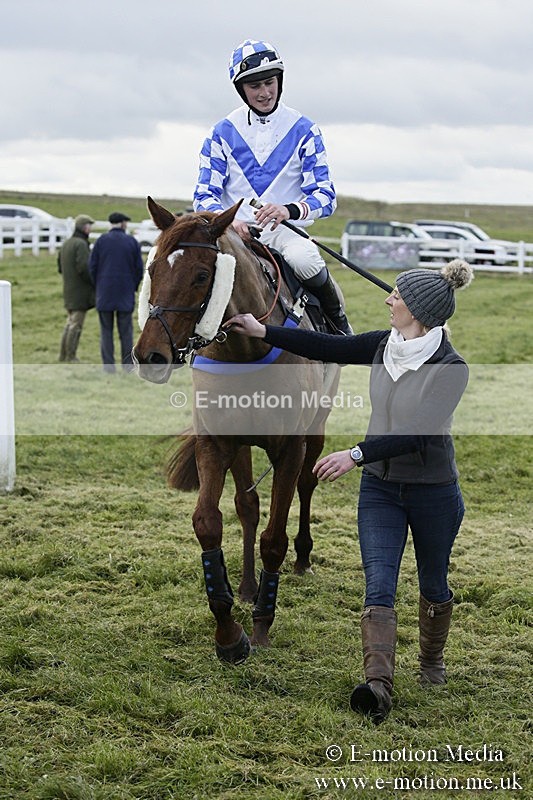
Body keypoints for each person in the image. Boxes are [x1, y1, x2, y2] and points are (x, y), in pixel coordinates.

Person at [225, 259, 473, 723]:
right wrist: (264, 332)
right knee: (379, 585)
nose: (388, 299)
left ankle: (432, 662)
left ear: (418, 311)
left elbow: (418, 432)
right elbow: (327, 346)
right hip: (380, 491)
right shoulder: (385, 345)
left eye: (397, 296)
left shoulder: (451, 368)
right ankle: (377, 686)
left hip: (433, 493)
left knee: (433, 584)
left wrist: (354, 454)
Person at [193, 39, 351, 335]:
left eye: (270, 82)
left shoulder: (305, 130)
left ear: (279, 80)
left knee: (304, 258)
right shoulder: (221, 132)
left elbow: (325, 197)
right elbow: (204, 195)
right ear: (242, 90)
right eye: (255, 87)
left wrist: (288, 210)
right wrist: (230, 223)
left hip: (284, 233)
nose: (265, 93)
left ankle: (337, 324)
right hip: (232, 235)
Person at [89, 212, 144, 373]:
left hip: (104, 292)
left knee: (106, 331)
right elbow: (138, 269)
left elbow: (92, 267)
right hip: (125, 293)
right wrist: (132, 287)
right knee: (126, 332)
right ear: (122, 224)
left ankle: (108, 367)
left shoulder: (101, 241)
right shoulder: (131, 242)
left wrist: (99, 285)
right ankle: (127, 366)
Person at [57, 214, 95, 362]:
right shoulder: (81, 244)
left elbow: (60, 267)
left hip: (68, 289)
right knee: (75, 325)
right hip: (80, 292)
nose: (90, 228)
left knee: (69, 323)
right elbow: (85, 268)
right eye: (89, 225)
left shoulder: (67, 243)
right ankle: (71, 356)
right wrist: (94, 282)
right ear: (84, 227)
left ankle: (63, 355)